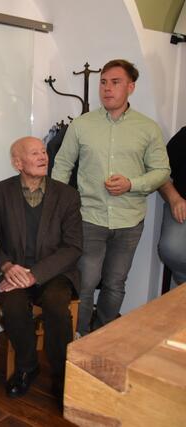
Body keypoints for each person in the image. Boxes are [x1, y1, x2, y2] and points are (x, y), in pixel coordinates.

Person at [52, 59, 170, 336]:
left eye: (115, 82)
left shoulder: (148, 128)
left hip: (129, 220)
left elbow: (162, 171)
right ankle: (80, 338)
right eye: (103, 82)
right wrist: (58, 209)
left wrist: (132, 184)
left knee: (115, 283)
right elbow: (62, 165)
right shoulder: (82, 125)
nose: (107, 88)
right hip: (88, 217)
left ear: (131, 87)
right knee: (85, 282)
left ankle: (103, 335)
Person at [0, 137, 82, 406]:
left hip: (54, 273)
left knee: (56, 304)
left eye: (44, 152)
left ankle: (62, 375)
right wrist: (7, 266)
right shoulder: (0, 192)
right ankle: (27, 367)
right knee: (13, 307)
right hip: (13, 272)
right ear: (17, 163)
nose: (43, 157)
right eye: (35, 153)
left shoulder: (67, 195)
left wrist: (34, 274)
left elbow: (73, 246)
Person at [158, 126, 186, 286]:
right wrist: (174, 198)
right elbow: (159, 174)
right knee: (172, 248)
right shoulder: (184, 136)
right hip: (183, 206)